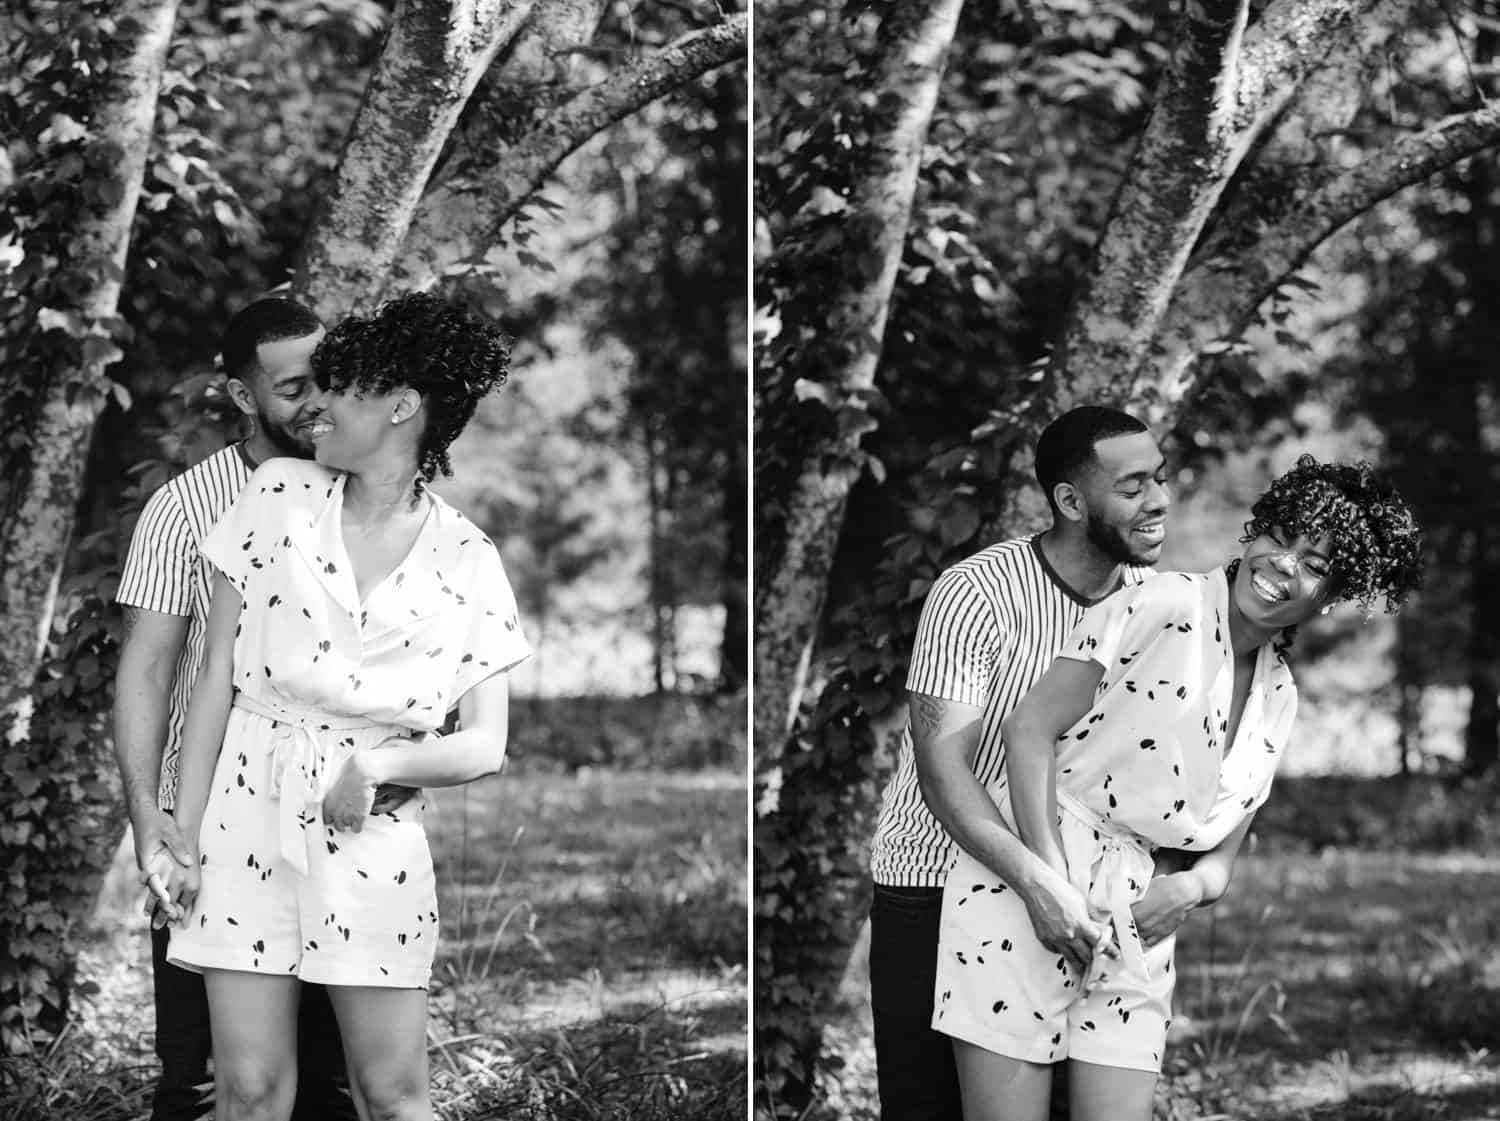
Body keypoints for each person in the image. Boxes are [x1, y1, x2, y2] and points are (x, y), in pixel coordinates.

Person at [932, 455, 1424, 1121]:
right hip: (1028, 883)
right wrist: (1047, 884)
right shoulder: (1163, 600)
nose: (1284, 564)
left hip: (1141, 925)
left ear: (1331, 596)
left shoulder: (1280, 697)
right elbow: (1029, 730)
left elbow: (1220, 859)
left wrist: (1183, 892)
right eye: (1281, 536)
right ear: (1255, 534)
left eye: (1315, 562)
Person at [147, 291, 529, 1121]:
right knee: (248, 1092)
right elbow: (214, 677)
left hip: (370, 833)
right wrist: (179, 832)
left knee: (391, 1098)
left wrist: (380, 763)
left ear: (402, 406)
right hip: (244, 808)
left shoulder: (468, 556)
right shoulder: (276, 495)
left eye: (343, 386)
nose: (317, 404)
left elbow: (486, 743)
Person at [866, 406, 1171, 1121]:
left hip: (1079, 905)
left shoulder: (1153, 604)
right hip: (935, 889)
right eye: (1132, 486)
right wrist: (1041, 883)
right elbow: (946, 771)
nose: (1158, 498)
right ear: (1069, 501)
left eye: (1160, 476)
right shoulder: (976, 593)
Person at [114, 296, 365, 1121]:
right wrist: (153, 819)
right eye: (293, 387)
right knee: (199, 1076)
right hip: (209, 827)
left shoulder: (362, 497)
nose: (317, 403)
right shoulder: (185, 508)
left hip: (330, 827)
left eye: (327, 380)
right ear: (241, 394)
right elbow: (148, 672)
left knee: (328, 1083)